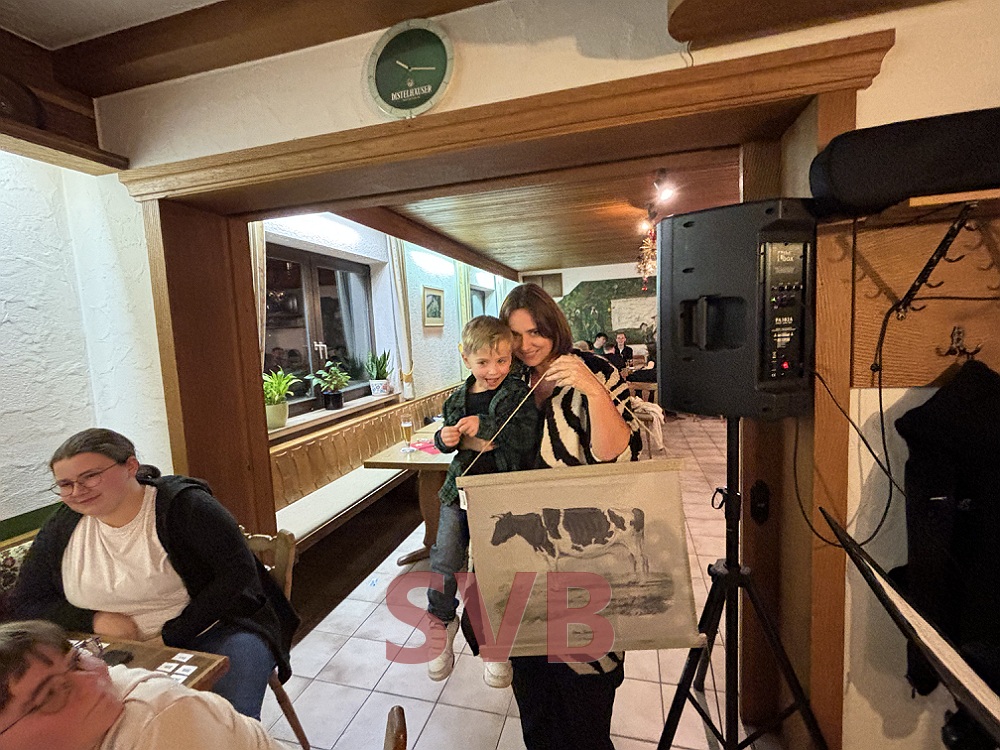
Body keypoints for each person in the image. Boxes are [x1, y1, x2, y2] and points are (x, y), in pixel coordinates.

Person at [9, 429, 299, 721]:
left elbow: (237, 578)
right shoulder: (62, 526)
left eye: (90, 476)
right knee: (78, 717)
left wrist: (169, 636)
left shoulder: (185, 507)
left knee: (224, 719)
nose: (77, 491)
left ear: (130, 466)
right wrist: (95, 620)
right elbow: (27, 602)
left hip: (215, 629)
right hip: (109, 648)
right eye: (65, 484)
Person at [499, 283, 641, 750]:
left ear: (554, 327)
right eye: (516, 335)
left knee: (586, 712)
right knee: (536, 709)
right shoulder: (505, 380)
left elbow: (620, 457)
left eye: (535, 331)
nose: (526, 345)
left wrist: (593, 390)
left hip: (587, 558)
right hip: (523, 568)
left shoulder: (596, 370)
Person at [427, 316, 539, 688]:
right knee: (444, 558)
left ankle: (495, 640)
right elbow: (448, 443)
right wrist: (445, 439)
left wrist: (485, 427)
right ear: (466, 358)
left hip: (502, 495)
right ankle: (441, 622)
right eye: (483, 362)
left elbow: (526, 437)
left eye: (502, 360)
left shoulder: (518, 392)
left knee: (493, 569)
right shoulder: (455, 398)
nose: (493, 370)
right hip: (458, 491)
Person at [0, 619, 282, 749]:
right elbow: (37, 598)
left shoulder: (159, 720)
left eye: (76, 660)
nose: (90, 681)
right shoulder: (62, 531)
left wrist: (166, 634)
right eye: (51, 694)